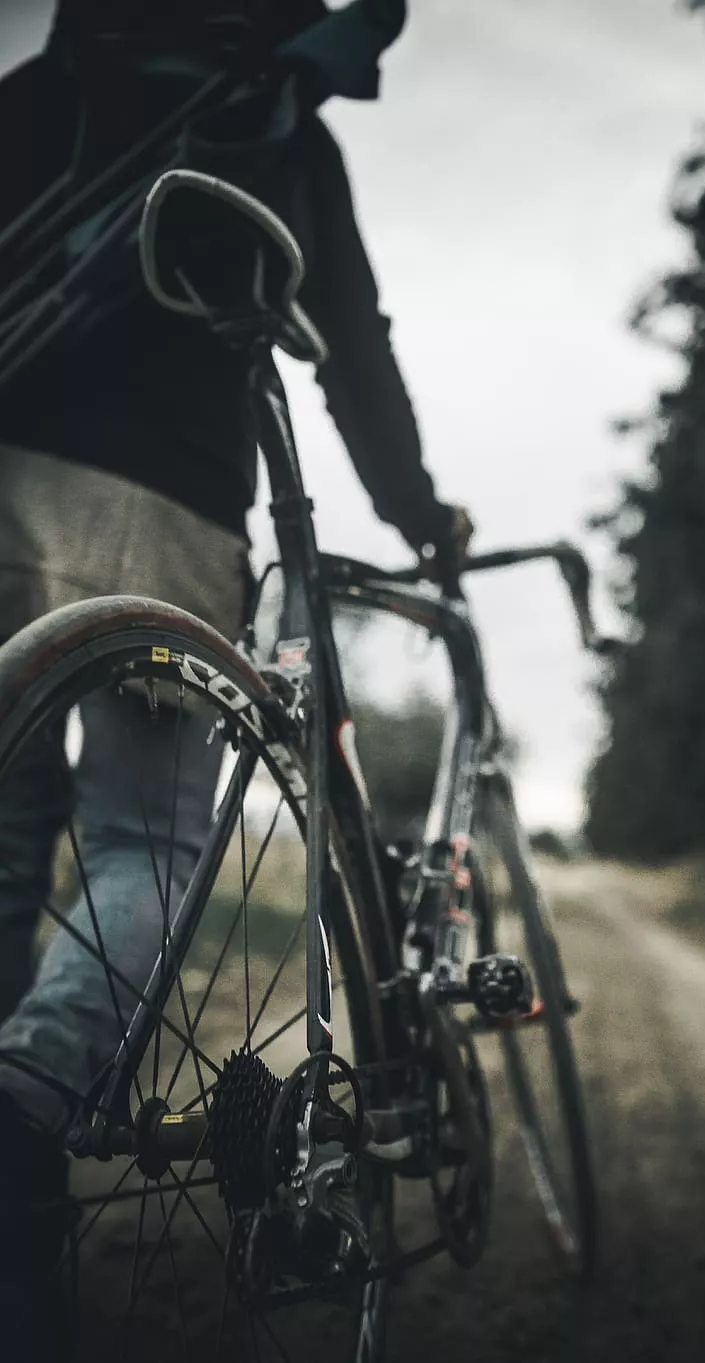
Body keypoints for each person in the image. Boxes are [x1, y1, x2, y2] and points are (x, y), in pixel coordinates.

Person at [0, 3, 473, 1353]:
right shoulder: (271, 108)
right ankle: (26, 1103)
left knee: (3, 845)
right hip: (158, 504)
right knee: (146, 843)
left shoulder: (44, 86)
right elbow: (354, 346)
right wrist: (419, 512)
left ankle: (17, 1261)